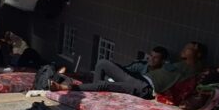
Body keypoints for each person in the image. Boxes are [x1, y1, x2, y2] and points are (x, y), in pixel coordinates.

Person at [51, 42, 205, 99]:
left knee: (106, 85)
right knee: (103, 63)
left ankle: (65, 87)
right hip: (139, 78)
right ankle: (95, 92)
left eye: (189, 48)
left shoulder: (192, 68)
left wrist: (196, 50)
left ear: (196, 53)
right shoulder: (178, 64)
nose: (185, 48)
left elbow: (204, 68)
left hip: (146, 88)